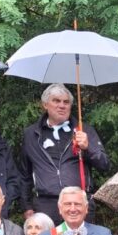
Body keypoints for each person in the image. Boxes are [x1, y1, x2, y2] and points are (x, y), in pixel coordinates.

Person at [19, 84, 110, 224]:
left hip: (78, 202)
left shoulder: (83, 130)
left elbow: (105, 165)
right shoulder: (31, 134)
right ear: (45, 104)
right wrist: (26, 206)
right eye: (56, 101)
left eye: (66, 102)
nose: (62, 105)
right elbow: (25, 174)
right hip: (45, 205)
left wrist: (88, 147)